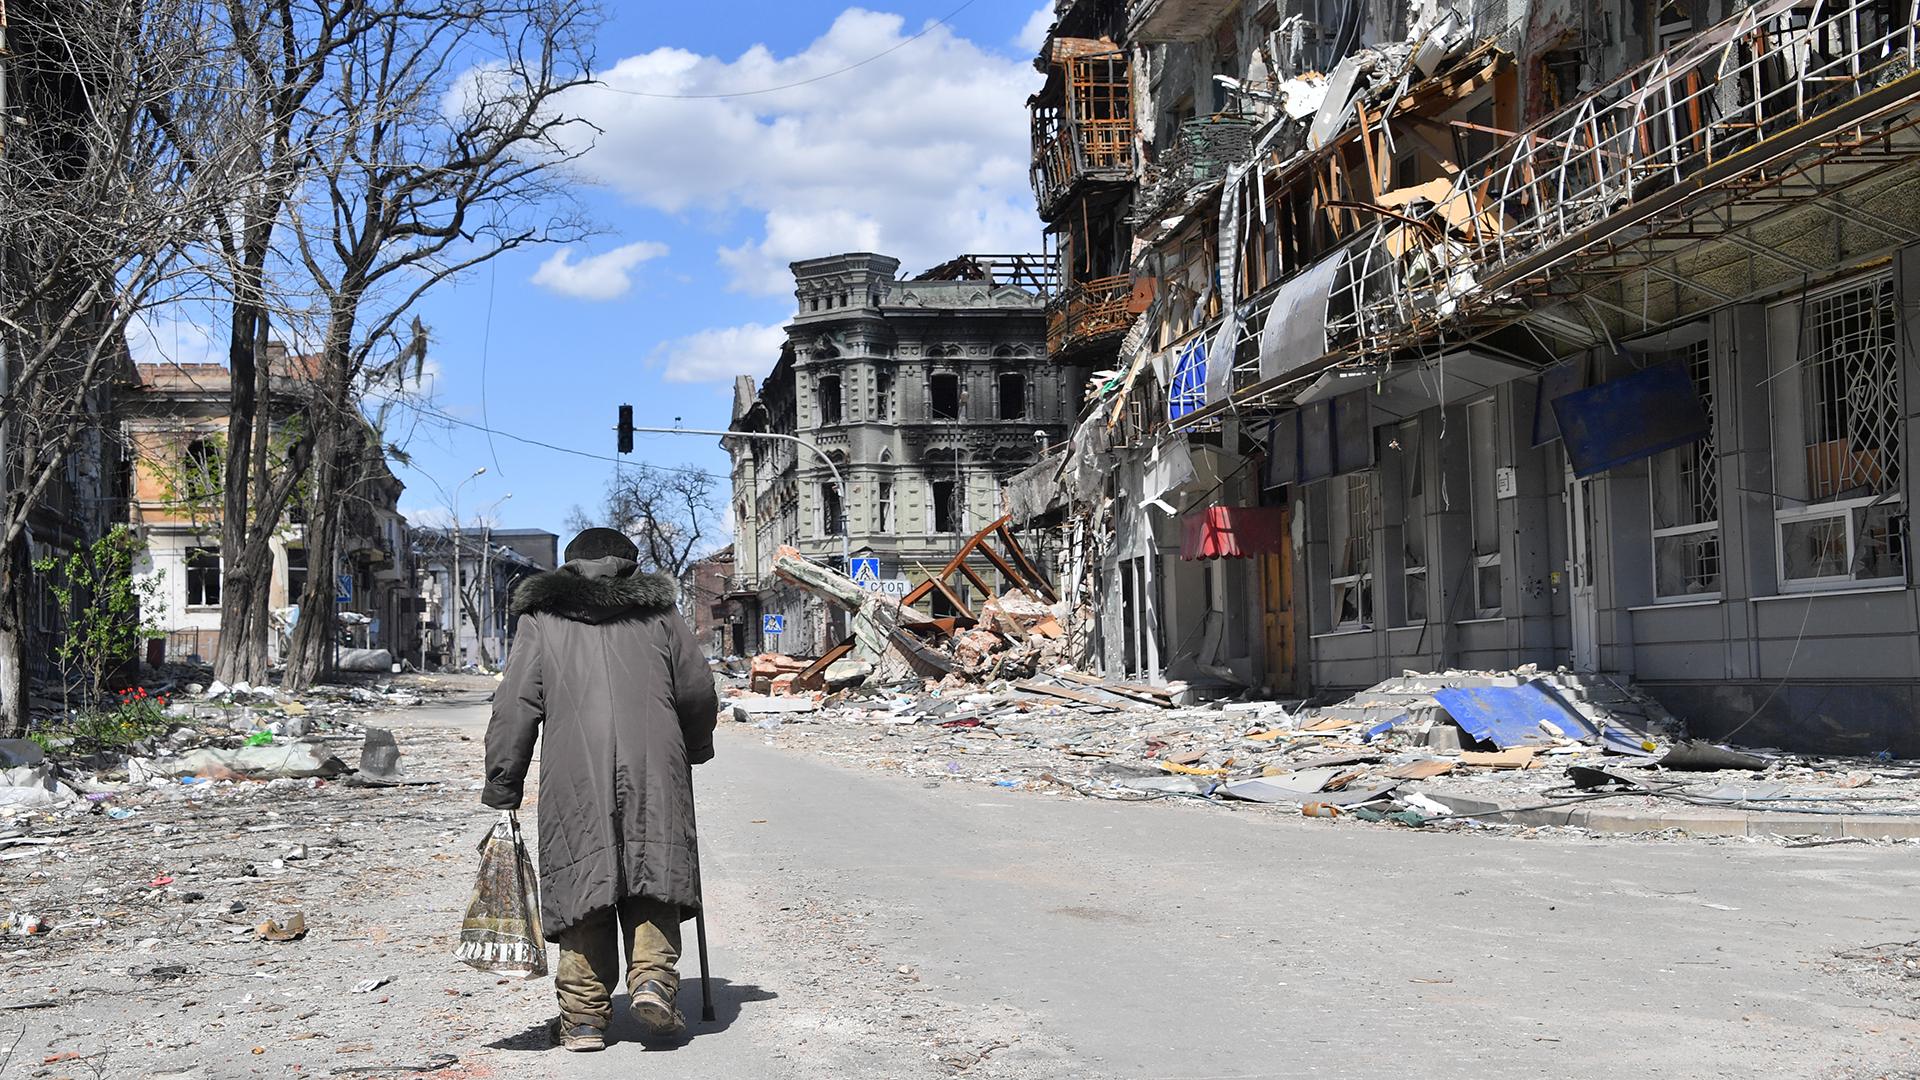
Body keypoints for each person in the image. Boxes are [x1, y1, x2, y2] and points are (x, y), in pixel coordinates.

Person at [482, 528, 720, 1053]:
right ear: (632, 566)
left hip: (573, 769)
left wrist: (504, 783)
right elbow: (698, 689)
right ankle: (654, 981)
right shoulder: (659, 615)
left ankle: (585, 1019)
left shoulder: (542, 618)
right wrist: (695, 746)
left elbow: (515, 705)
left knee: (581, 875)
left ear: (567, 569)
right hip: (656, 765)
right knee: (653, 869)